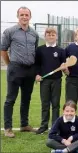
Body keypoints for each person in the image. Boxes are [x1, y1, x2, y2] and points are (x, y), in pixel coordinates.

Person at [2, 6, 39, 137]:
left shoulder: (34, 33)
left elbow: (35, 51)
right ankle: (7, 128)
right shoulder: (10, 31)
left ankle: (24, 125)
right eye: (22, 15)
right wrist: (10, 64)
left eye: (26, 15)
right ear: (18, 16)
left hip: (30, 70)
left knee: (26, 98)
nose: (24, 17)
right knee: (10, 99)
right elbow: (3, 50)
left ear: (30, 17)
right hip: (15, 68)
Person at [34, 27, 66, 134]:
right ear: (45, 36)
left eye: (53, 35)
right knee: (45, 104)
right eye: (48, 35)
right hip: (44, 81)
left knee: (56, 104)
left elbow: (64, 64)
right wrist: (37, 75)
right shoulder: (40, 49)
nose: (51, 37)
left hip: (57, 80)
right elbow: (37, 64)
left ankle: (55, 126)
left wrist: (63, 66)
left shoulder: (61, 51)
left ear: (56, 36)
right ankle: (43, 126)